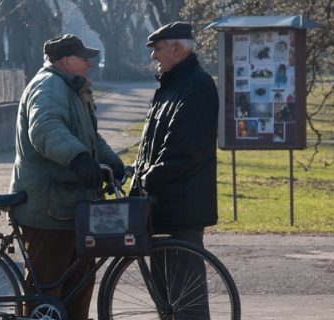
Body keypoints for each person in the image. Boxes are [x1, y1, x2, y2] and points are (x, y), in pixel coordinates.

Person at [9, 34, 124, 319]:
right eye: (84, 58)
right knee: (46, 293)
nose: (90, 63)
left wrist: (112, 162)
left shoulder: (71, 89)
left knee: (78, 287)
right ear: (65, 60)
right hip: (49, 209)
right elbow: (45, 129)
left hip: (72, 206)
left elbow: (90, 136)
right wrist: (80, 160)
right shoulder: (48, 87)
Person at [130, 21, 219, 317]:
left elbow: (184, 151)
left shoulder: (196, 85)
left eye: (157, 49)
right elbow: (151, 146)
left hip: (182, 208)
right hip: (162, 206)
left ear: (177, 49)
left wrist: (145, 178)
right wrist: (136, 175)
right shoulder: (171, 85)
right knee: (167, 301)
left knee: (186, 301)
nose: (154, 57)